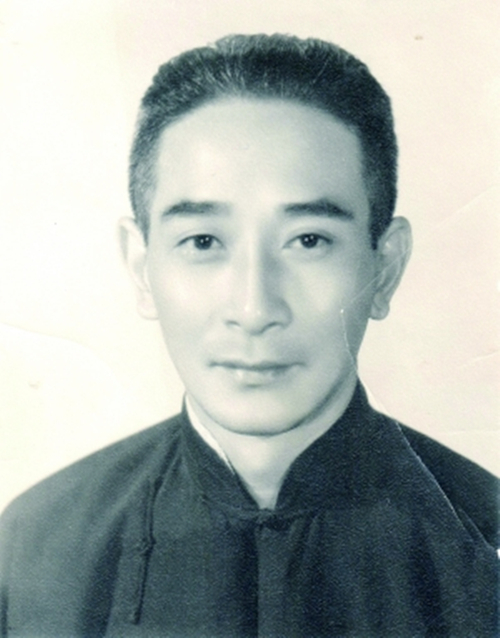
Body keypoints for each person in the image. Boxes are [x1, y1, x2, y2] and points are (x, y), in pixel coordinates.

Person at [0, 33, 497, 637]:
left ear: (385, 267)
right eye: (203, 241)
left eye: (309, 240)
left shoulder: (484, 544)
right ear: (141, 266)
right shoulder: (34, 550)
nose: (254, 308)